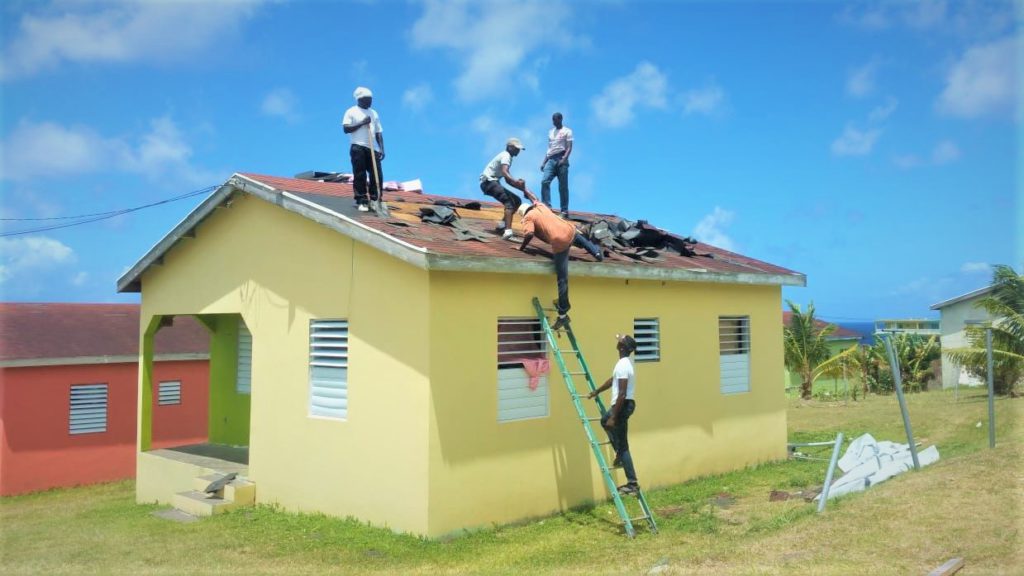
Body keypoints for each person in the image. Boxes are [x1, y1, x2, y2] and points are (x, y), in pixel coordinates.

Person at [516, 190, 603, 331]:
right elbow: (534, 197)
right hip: (569, 229)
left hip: (559, 240)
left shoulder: (528, 217)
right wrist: (524, 189)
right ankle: (597, 252)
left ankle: (563, 313)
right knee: (576, 235)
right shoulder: (540, 207)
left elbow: (529, 234)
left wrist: (521, 248)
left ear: (523, 213)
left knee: (562, 279)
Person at [587, 334, 640, 495]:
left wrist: (614, 416)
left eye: (620, 341)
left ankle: (632, 483)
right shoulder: (625, 363)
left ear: (622, 347)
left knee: (622, 443)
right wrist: (597, 391)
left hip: (622, 405)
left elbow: (622, 393)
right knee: (605, 422)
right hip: (624, 405)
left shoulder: (623, 364)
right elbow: (613, 381)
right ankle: (619, 455)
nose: (617, 343)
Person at [342, 86, 385, 212]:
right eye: (367, 99)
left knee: (377, 174)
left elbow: (378, 132)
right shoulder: (351, 111)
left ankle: (376, 199)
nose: (370, 102)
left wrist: (382, 149)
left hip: (373, 148)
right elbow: (346, 129)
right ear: (360, 99)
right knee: (360, 174)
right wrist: (362, 123)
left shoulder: (374, 113)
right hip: (358, 146)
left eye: (371, 99)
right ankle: (362, 200)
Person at [481, 138, 529, 239]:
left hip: (490, 183)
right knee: (510, 203)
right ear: (509, 147)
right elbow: (505, 172)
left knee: (517, 201)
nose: (518, 151)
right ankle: (508, 233)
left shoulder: (507, 157)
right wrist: (516, 181)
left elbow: (508, 180)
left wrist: (523, 190)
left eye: (519, 149)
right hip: (489, 182)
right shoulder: (506, 155)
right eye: (516, 148)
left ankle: (502, 226)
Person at [540, 112, 573, 218]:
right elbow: (549, 149)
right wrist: (544, 162)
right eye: (553, 120)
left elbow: (569, 147)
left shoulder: (567, 131)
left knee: (563, 186)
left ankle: (564, 211)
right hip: (551, 159)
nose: (554, 122)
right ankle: (547, 207)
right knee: (545, 181)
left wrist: (564, 159)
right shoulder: (551, 132)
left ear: (561, 119)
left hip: (561, 158)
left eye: (556, 119)